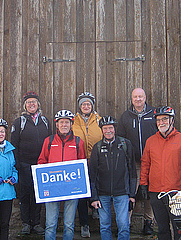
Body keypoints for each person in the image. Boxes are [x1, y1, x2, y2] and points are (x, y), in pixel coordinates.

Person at [139, 106, 181, 240]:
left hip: (177, 193)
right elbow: (145, 164)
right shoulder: (151, 141)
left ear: (172, 120)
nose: (161, 123)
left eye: (165, 119)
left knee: (179, 228)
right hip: (157, 192)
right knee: (162, 229)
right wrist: (143, 184)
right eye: (158, 120)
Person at [38, 110, 86, 240]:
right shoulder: (49, 141)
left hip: (71, 188)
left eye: (67, 122)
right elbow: (42, 161)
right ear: (57, 125)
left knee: (69, 224)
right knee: (50, 224)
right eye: (61, 122)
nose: (64, 125)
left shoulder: (78, 142)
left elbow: (82, 164)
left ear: (71, 124)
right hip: (53, 187)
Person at [89, 116, 137, 240]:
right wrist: (93, 197)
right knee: (104, 226)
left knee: (124, 225)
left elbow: (132, 171)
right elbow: (92, 174)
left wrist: (132, 194)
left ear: (115, 129)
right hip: (102, 193)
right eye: (105, 128)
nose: (108, 131)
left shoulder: (125, 144)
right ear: (102, 130)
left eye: (110, 128)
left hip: (121, 193)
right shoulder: (97, 147)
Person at [11, 91, 51, 235]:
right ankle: (26, 223)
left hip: (40, 165)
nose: (31, 104)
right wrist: (17, 164)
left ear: (38, 105)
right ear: (25, 106)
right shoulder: (19, 122)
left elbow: (49, 143)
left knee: (38, 194)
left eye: (34, 102)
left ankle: (36, 223)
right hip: (24, 164)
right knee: (24, 195)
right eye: (28, 102)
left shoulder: (45, 121)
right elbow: (13, 144)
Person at [118, 88, 157, 234]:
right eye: (135, 97)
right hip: (133, 163)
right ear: (131, 98)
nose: (138, 99)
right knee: (130, 193)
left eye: (140, 96)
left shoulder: (153, 114)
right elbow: (120, 139)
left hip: (152, 162)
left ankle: (148, 223)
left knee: (150, 193)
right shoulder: (126, 116)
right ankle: (125, 225)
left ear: (145, 97)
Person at [71, 92, 102, 238]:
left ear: (92, 106)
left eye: (88, 104)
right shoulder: (73, 121)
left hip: (97, 160)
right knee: (81, 193)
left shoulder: (99, 120)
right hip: (79, 161)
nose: (86, 106)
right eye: (83, 104)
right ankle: (84, 224)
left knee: (97, 187)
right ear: (79, 106)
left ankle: (97, 211)